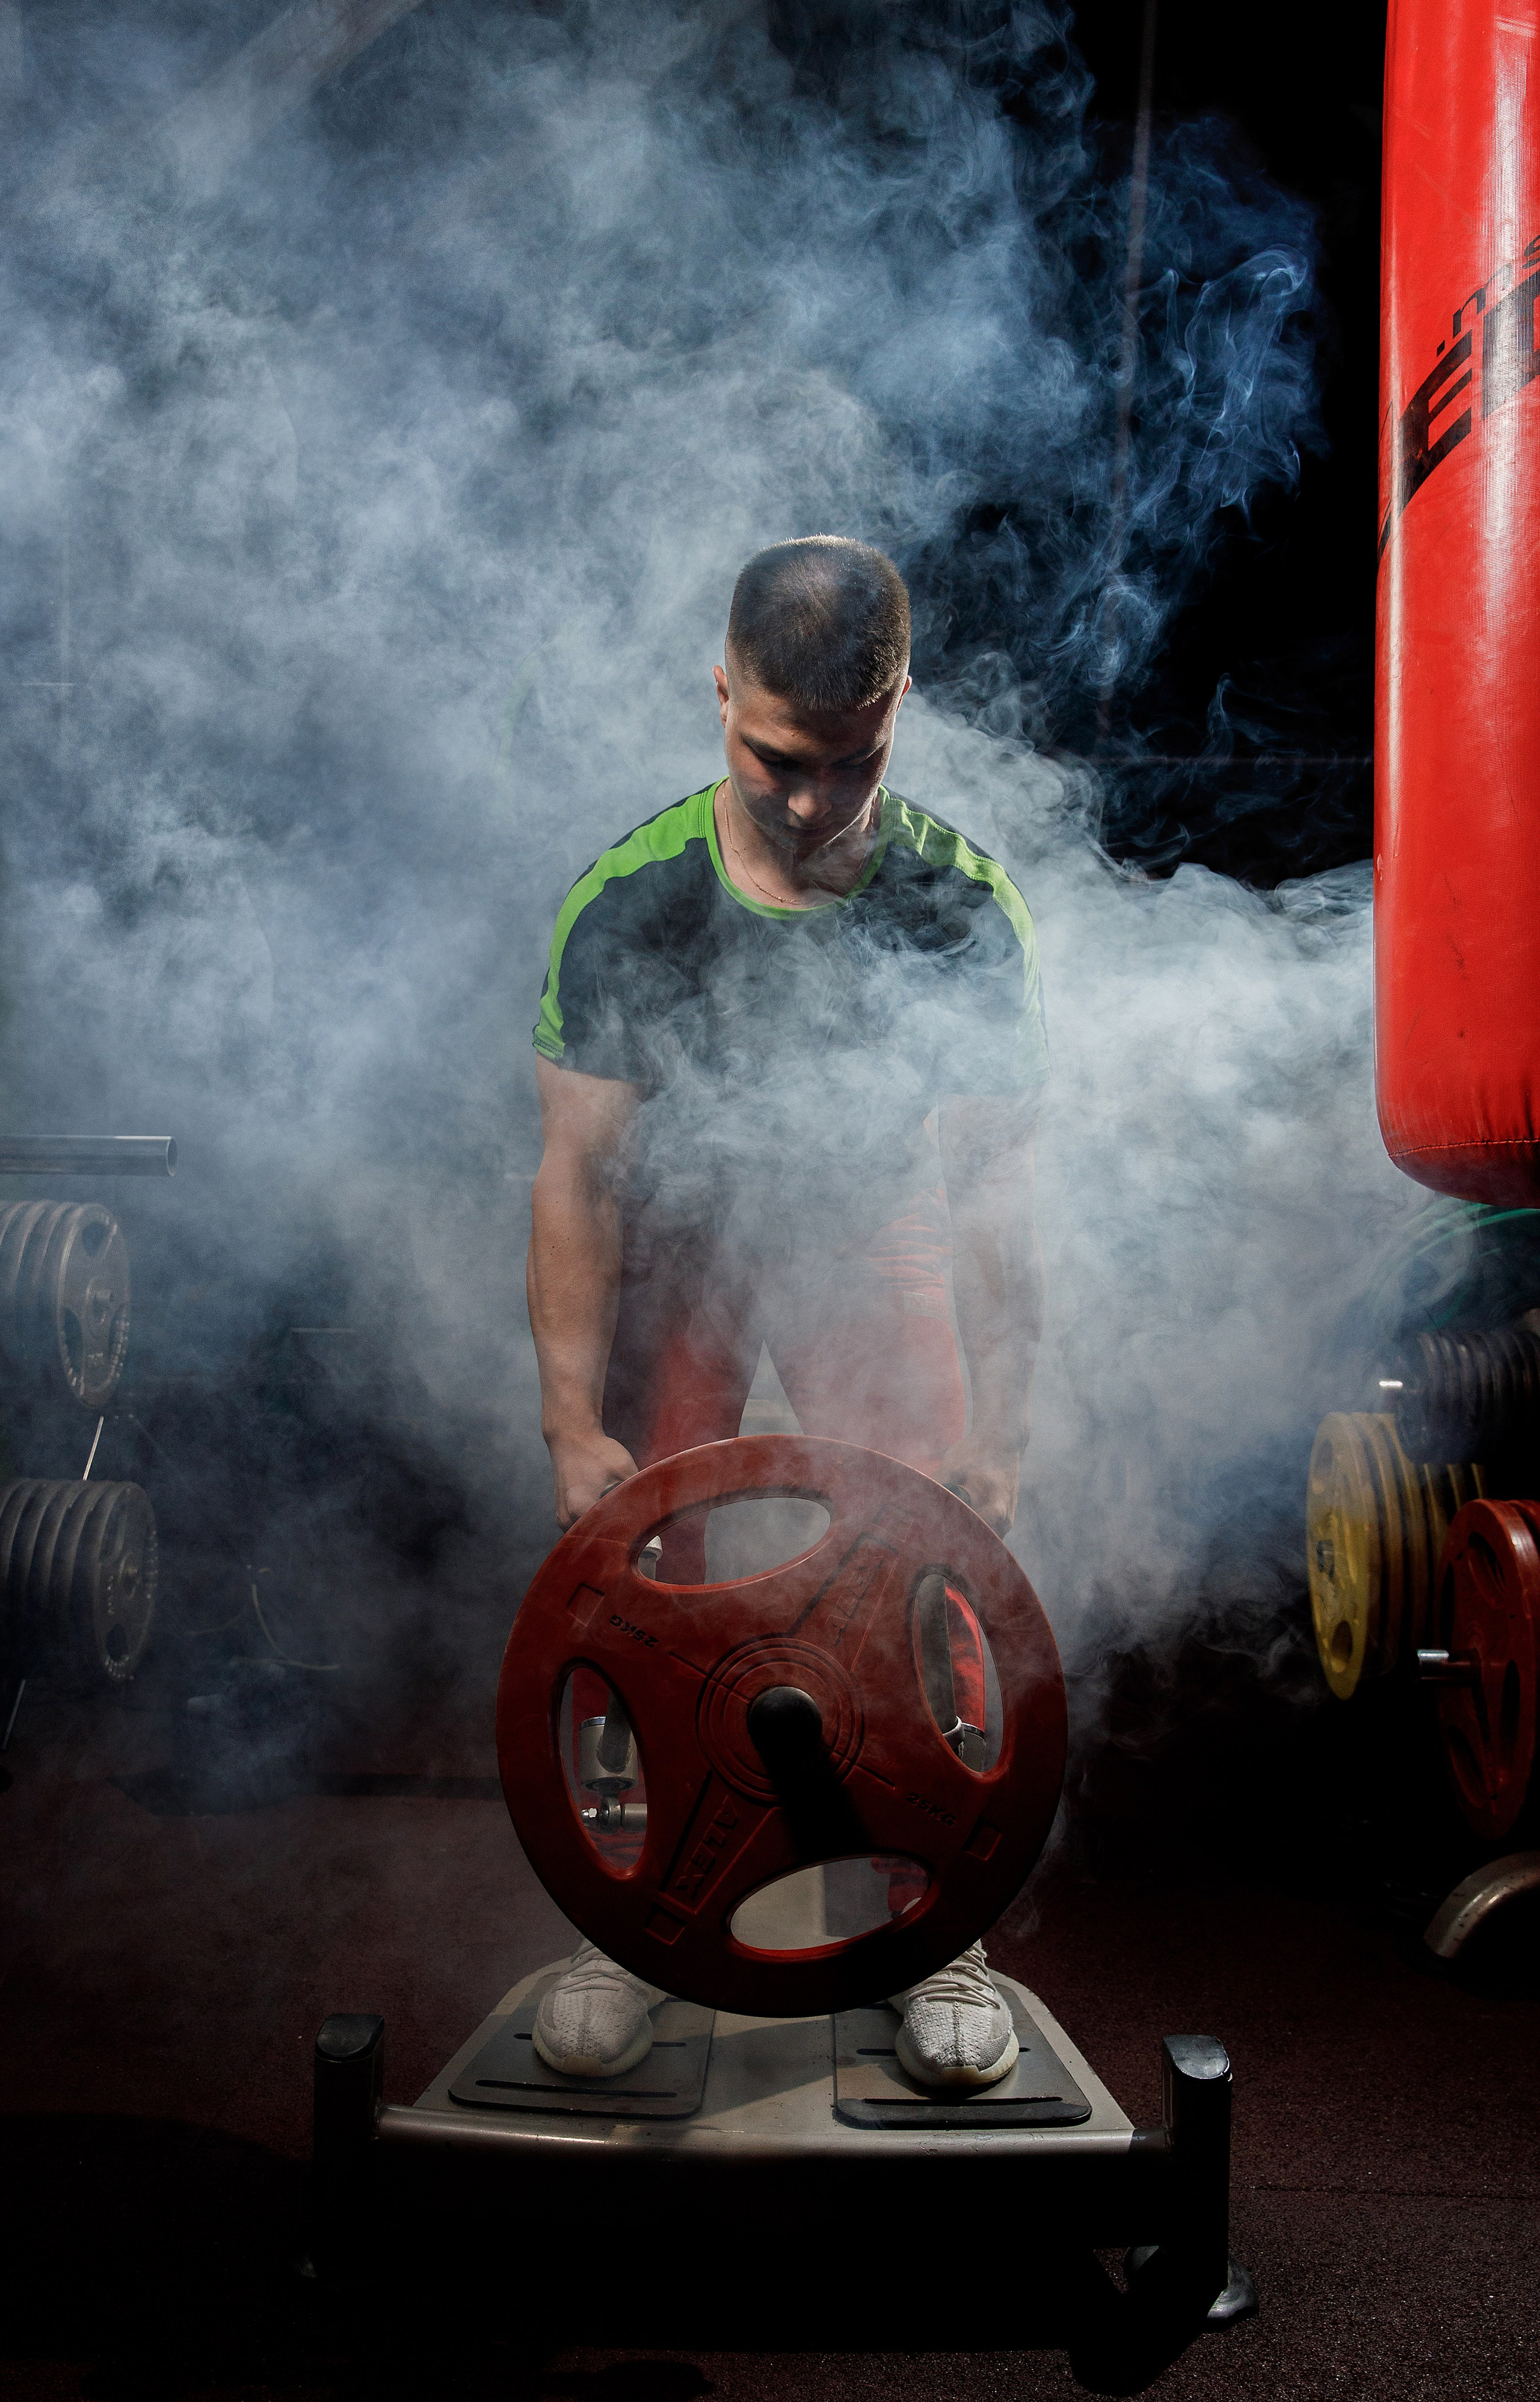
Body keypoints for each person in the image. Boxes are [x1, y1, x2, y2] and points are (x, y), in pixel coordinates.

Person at [525, 536, 1047, 2089]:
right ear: (722, 688)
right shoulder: (630, 902)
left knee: (922, 1555)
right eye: (777, 760)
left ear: (900, 706)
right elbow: (576, 1181)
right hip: (680, 1232)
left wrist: (1005, 1435)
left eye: (853, 762)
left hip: (865, 1220)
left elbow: (998, 1204)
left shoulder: (961, 906)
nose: (814, 802)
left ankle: (927, 1919)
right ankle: (627, 1917)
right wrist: (569, 1424)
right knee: (632, 1567)